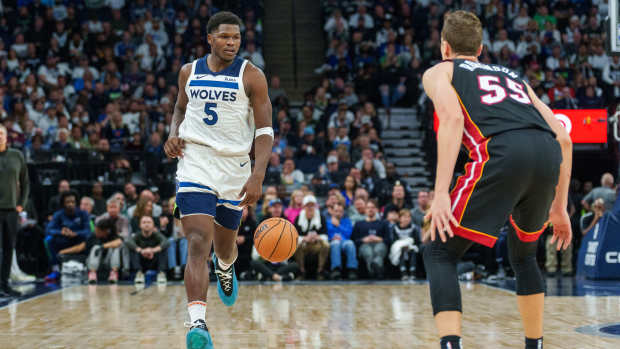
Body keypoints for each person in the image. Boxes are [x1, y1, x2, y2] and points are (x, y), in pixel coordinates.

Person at [421, 11, 572, 349]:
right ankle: (535, 345)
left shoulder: (440, 71)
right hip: (546, 154)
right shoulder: (515, 77)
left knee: (438, 251)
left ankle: (451, 345)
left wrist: (441, 192)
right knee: (524, 256)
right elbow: (564, 138)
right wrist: (560, 208)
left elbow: (451, 117)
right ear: (481, 48)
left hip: (501, 153)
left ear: (445, 46)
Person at [163, 12, 273, 349]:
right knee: (198, 239)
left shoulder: (251, 76)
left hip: (234, 169)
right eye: (225, 37)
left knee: (225, 248)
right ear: (209, 38)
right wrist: (173, 134)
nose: (231, 43)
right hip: (195, 163)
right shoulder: (189, 71)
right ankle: (197, 323)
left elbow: (265, 130)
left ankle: (225, 267)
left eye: (236, 38)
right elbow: (180, 109)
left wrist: (257, 175)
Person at [0, 124, 30, 297]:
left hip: (11, 210)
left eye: (1, 133)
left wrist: (21, 204)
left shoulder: (16, 155)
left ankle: (5, 285)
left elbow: (25, 182)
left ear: (6, 136)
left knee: (8, 248)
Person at [44, 190, 92, 282]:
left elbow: (88, 231)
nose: (70, 204)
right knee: (49, 239)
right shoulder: (58, 214)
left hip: (79, 241)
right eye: (68, 202)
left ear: (76, 202)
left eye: (73, 202)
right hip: (63, 240)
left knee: (91, 239)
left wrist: (76, 233)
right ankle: (55, 270)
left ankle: (90, 269)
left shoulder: (83, 214)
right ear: (63, 203)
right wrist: (61, 232)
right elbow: (49, 229)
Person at [351, 199, 390, 279]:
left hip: (380, 244)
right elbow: (354, 240)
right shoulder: (359, 224)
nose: (370, 209)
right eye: (368, 207)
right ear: (365, 209)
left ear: (376, 209)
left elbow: (388, 240)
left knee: (378, 249)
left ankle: (374, 270)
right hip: (365, 245)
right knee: (368, 252)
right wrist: (363, 240)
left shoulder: (383, 223)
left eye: (372, 207)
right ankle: (377, 271)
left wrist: (379, 239)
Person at [293, 195, 329, 279]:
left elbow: (325, 236)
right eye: (307, 205)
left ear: (315, 206)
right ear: (304, 207)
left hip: (316, 244)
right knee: (295, 246)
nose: (310, 208)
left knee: (326, 245)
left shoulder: (321, 217)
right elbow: (294, 236)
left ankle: (320, 271)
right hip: (303, 244)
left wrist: (317, 237)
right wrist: (305, 238)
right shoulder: (298, 218)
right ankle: (301, 271)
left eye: (312, 205)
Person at [125, 215, 169, 284]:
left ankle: (161, 274)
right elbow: (128, 241)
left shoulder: (156, 234)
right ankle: (138, 274)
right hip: (141, 261)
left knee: (163, 249)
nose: (146, 224)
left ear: (153, 225)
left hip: (154, 261)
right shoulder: (137, 235)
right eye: (144, 222)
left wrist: (152, 250)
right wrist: (141, 250)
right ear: (140, 225)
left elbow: (166, 242)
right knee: (132, 250)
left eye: (149, 222)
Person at [389, 209, 420, 280]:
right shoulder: (395, 228)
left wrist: (408, 244)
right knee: (400, 250)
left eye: (408, 217)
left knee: (413, 251)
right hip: (399, 247)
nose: (406, 219)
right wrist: (402, 245)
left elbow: (415, 240)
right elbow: (394, 241)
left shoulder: (413, 228)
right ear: (400, 218)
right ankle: (403, 272)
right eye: (404, 217)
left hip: (411, 246)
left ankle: (413, 272)